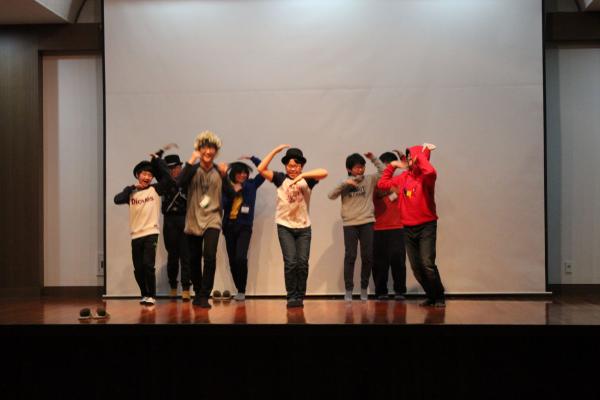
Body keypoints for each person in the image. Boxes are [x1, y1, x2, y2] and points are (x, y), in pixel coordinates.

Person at [257, 144, 328, 308]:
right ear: (285, 166)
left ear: (301, 166)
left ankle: (299, 295)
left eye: (296, 166)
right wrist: (275, 151)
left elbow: (324, 172)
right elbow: (261, 169)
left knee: (302, 263)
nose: (293, 169)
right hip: (285, 226)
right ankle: (291, 296)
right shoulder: (280, 178)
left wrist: (301, 176)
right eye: (290, 165)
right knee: (290, 262)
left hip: (304, 228)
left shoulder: (307, 180)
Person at [377, 143, 445, 307]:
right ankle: (431, 296)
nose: (408, 160)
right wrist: (393, 165)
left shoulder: (426, 179)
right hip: (408, 228)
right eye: (407, 158)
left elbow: (430, 171)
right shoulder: (404, 177)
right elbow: (382, 184)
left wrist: (421, 154)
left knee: (427, 264)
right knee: (416, 268)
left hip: (426, 226)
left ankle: (439, 297)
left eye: (410, 157)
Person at [177, 131, 233, 308]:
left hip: (213, 219)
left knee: (209, 256)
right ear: (199, 149)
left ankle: (204, 294)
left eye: (212, 148)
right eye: (205, 148)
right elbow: (179, 183)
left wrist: (225, 176)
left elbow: (231, 194)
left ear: (216, 151)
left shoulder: (219, 170)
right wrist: (190, 161)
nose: (208, 151)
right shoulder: (192, 169)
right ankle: (198, 290)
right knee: (194, 258)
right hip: (193, 219)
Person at [113, 153, 172, 306]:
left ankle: (151, 295)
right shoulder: (131, 192)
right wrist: (132, 188)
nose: (147, 177)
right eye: (144, 174)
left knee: (148, 265)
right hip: (135, 235)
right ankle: (144, 294)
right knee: (138, 269)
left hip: (151, 232)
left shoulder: (155, 189)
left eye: (150, 175)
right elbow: (117, 199)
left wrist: (158, 161)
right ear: (138, 175)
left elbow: (168, 179)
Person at [328, 152, 385, 301]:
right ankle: (349, 289)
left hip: (367, 222)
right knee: (350, 256)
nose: (360, 170)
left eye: (362, 167)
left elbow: (384, 172)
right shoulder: (345, 183)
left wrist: (373, 159)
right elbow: (330, 195)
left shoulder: (369, 179)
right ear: (349, 169)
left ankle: (364, 288)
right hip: (350, 224)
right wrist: (344, 184)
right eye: (357, 167)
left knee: (367, 256)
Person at [222, 156, 265, 301]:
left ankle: (242, 289)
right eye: (239, 173)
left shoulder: (252, 185)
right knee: (232, 260)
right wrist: (232, 192)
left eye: (245, 172)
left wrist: (254, 159)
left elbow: (264, 172)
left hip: (244, 227)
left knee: (240, 258)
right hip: (229, 227)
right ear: (234, 174)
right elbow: (222, 204)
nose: (243, 175)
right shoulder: (227, 187)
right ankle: (239, 289)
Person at [373, 151, 407, 300]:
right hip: (377, 228)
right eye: (385, 166)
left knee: (398, 260)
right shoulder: (375, 182)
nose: (388, 169)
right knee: (379, 262)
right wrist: (393, 192)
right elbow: (379, 194)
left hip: (398, 227)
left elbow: (410, 172)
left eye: (391, 166)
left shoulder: (400, 180)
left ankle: (400, 291)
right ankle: (381, 291)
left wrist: (404, 159)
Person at [159, 153, 192, 301]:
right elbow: (155, 168)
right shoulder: (164, 183)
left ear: (180, 167)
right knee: (172, 256)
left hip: (184, 219)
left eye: (176, 167)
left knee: (186, 255)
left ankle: (186, 288)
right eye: (170, 168)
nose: (174, 170)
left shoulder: (187, 182)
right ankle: (173, 286)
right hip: (169, 221)